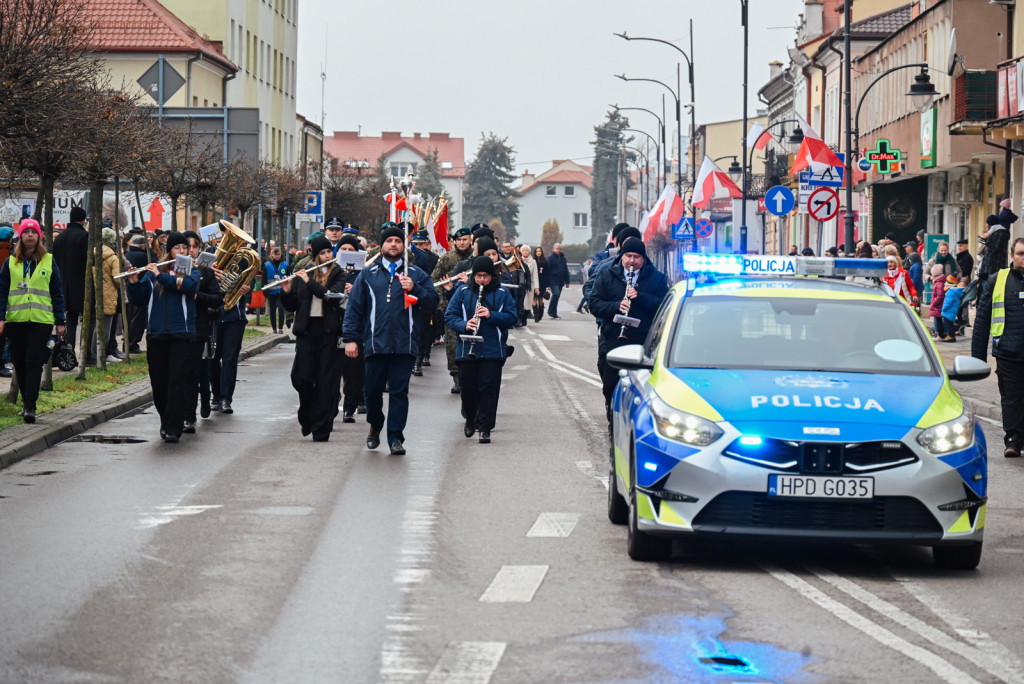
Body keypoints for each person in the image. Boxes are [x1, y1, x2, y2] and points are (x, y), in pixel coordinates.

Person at [342, 224, 439, 455]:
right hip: (375, 345)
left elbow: (433, 303)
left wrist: (415, 289)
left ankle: (396, 438)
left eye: (397, 241)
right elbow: (354, 308)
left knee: (399, 393)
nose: (393, 244)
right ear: (382, 245)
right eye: (389, 241)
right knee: (372, 393)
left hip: (405, 346)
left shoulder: (416, 274)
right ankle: (375, 425)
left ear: (403, 245)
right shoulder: (368, 274)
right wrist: (351, 339)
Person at [124, 232, 200, 443]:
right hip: (157, 334)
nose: (182, 252)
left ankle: (172, 427)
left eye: (185, 248)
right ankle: (166, 420)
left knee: (176, 379)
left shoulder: (191, 271)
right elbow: (140, 299)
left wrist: (160, 275)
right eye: (178, 248)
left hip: (181, 334)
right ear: (170, 251)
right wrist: (133, 282)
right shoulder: (154, 272)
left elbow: (188, 286)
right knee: (159, 383)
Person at [589, 237, 669, 423]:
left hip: (643, 342)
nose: (632, 261)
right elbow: (594, 304)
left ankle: (633, 422)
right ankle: (614, 420)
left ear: (643, 258)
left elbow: (664, 306)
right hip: (613, 340)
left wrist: (640, 297)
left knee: (640, 389)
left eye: (636, 257)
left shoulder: (656, 278)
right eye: (628, 256)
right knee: (610, 386)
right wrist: (617, 306)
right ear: (622, 256)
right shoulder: (607, 275)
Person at [445, 256, 517, 443]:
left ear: (492, 276)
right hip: (467, 347)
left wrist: (491, 315)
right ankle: (470, 418)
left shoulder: (502, 293)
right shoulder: (462, 291)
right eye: (478, 276)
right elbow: (450, 315)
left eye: (485, 276)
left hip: (492, 349)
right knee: (468, 389)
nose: (481, 280)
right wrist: (464, 324)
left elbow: (512, 317)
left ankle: (485, 428)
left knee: (488, 389)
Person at [0, 219, 66, 423]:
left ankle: (30, 406)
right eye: (26, 232)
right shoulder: (10, 262)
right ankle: (25, 401)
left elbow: (57, 292)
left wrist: (60, 320)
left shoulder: (48, 260)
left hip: (41, 320)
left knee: (34, 360)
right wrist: (1, 317)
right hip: (16, 319)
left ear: (40, 236)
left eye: (33, 232)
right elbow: (2, 291)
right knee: (19, 361)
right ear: (21, 236)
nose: (30, 235)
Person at [281, 234, 346, 441]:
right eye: (323, 253)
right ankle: (306, 415)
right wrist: (286, 292)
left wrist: (309, 282)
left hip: (328, 332)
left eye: (329, 252)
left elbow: (330, 296)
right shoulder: (304, 273)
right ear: (315, 255)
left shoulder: (338, 273)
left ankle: (321, 427)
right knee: (303, 377)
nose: (327, 255)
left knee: (326, 381)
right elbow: (293, 305)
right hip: (307, 332)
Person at [972, 237, 1024, 457]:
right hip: (1008, 352)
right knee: (1011, 398)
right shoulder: (997, 280)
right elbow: (982, 319)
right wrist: (977, 359)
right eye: (1020, 253)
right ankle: (1012, 439)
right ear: (1011, 255)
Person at [182, 231, 223, 430]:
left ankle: (205, 399)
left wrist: (198, 297)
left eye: (194, 247)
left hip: (199, 327)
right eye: (186, 247)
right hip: (179, 328)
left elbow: (217, 298)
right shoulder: (175, 269)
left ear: (199, 249)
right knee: (186, 373)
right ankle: (188, 414)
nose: (190, 250)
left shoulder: (206, 271)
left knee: (202, 369)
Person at [210, 228, 252, 414]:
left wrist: (245, 289)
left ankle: (226, 399)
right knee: (212, 358)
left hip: (234, 316)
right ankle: (215, 395)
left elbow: (248, 279)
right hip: (213, 314)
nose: (221, 240)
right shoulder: (209, 259)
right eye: (220, 236)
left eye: (224, 236)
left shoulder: (242, 260)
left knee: (229, 359)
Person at [432, 226, 474, 394]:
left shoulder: (475, 259)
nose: (461, 243)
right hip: (452, 308)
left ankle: (469, 376)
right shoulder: (447, 258)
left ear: (470, 239)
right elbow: (435, 279)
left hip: (471, 307)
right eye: (458, 240)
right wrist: (442, 303)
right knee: (452, 344)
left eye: (464, 239)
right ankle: (456, 377)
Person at [334, 234, 366, 424]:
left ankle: (349, 408)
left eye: (351, 251)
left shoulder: (364, 273)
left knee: (354, 371)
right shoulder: (331, 271)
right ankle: (332, 403)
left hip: (355, 327)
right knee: (334, 370)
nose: (347, 253)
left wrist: (356, 289)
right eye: (343, 250)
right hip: (334, 326)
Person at [51, 205, 88, 357]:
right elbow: (87, 261)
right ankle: (80, 353)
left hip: (62, 284)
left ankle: (64, 351)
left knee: (67, 319)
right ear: (83, 219)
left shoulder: (60, 237)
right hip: (80, 285)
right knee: (85, 319)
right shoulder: (83, 236)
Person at [90, 227, 122, 365]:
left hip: (96, 293)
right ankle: (99, 357)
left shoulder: (93, 253)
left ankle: (93, 355)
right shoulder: (113, 257)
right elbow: (117, 278)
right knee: (106, 330)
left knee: (97, 327)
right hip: (109, 294)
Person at [124, 234, 149, 353]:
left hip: (129, 289)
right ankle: (132, 344)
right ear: (143, 245)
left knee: (130, 319)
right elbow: (154, 261)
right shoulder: (143, 256)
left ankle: (128, 343)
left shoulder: (128, 254)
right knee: (137, 320)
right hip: (139, 289)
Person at [263, 246, 288, 334]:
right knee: (272, 311)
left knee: (281, 309)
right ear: (272, 255)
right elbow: (264, 279)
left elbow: (288, 277)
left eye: (278, 254)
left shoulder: (285, 264)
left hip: (281, 291)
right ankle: (274, 329)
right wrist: (265, 292)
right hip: (271, 291)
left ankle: (280, 328)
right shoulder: (267, 265)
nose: (277, 256)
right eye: (275, 254)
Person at [545, 243, 570, 319]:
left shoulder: (563, 258)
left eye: (559, 249)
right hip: (553, 280)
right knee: (556, 294)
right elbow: (547, 271)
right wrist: (547, 283)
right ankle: (550, 311)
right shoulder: (550, 258)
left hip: (560, 280)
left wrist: (567, 281)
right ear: (553, 249)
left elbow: (565, 270)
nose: (558, 250)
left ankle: (554, 312)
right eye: (557, 248)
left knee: (557, 296)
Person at [940, 275, 964, 343]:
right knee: (950, 323)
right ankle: (951, 336)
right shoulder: (954, 291)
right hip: (952, 311)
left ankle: (950, 336)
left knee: (948, 324)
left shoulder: (951, 291)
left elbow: (948, 302)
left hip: (948, 311)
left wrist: (943, 309)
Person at [520, 244, 538, 327]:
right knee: (521, 302)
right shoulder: (518, 260)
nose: (525, 252)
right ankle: (520, 319)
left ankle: (525, 318)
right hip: (520, 283)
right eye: (523, 250)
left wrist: (536, 287)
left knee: (528, 303)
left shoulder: (533, 262)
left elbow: (535, 275)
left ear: (529, 252)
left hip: (530, 284)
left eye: (526, 250)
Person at [929, 264, 947, 339]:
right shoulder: (939, 282)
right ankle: (939, 334)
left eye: (933, 275)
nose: (932, 277)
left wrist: (933, 303)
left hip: (938, 305)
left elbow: (940, 295)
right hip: (938, 305)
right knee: (938, 319)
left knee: (938, 319)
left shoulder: (939, 283)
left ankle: (939, 335)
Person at [532, 246, 549, 321]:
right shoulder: (532, 261)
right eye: (537, 251)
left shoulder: (545, 262)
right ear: (535, 253)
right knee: (534, 299)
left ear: (542, 253)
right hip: (534, 282)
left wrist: (548, 284)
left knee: (540, 300)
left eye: (540, 251)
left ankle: (541, 313)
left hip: (542, 283)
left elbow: (547, 273)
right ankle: (536, 316)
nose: (538, 252)